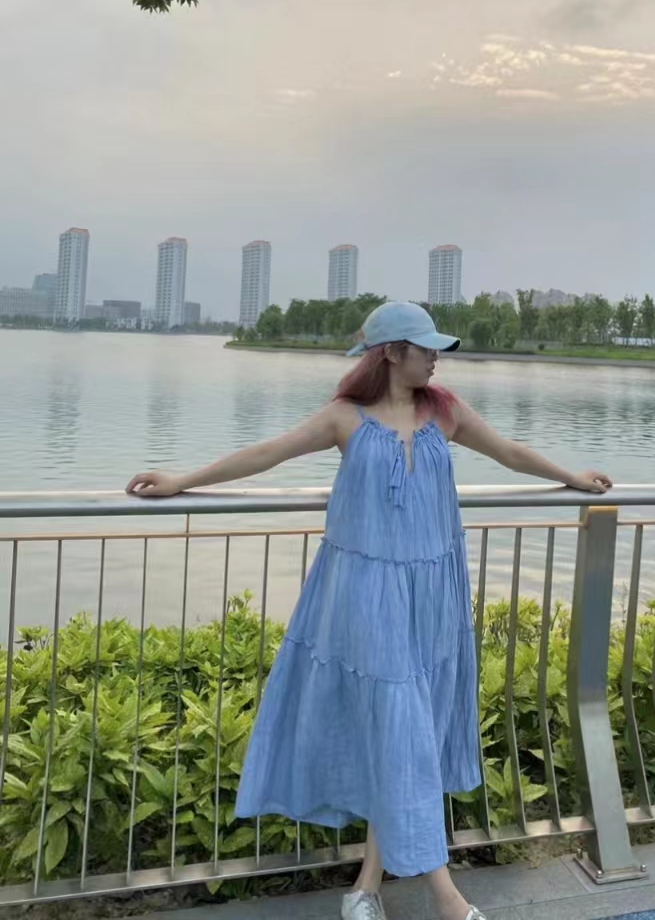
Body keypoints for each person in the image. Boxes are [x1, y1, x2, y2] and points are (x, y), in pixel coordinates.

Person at [127, 301, 612, 920]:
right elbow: (266, 454)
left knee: (403, 736)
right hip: (365, 595)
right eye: (425, 347)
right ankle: (447, 899)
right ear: (390, 353)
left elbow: (510, 452)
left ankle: (365, 887)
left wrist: (573, 477)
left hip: (433, 595)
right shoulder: (344, 417)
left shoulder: (445, 411)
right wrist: (182, 481)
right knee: (403, 732)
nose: (435, 358)